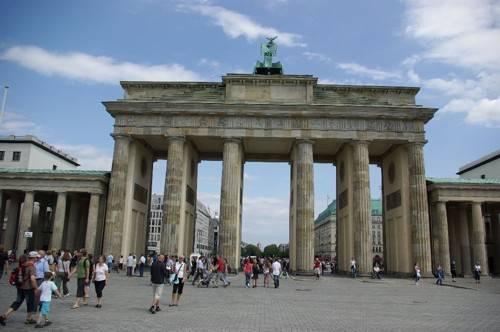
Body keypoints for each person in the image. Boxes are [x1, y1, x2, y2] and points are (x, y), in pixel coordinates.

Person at [0, 252, 38, 326]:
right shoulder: (31, 266)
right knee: (30, 303)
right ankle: (29, 319)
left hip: (20, 287)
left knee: (17, 302)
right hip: (28, 288)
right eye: (36, 257)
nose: (37, 259)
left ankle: (4, 316)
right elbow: (32, 279)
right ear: (33, 258)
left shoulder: (22, 265)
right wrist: (36, 288)